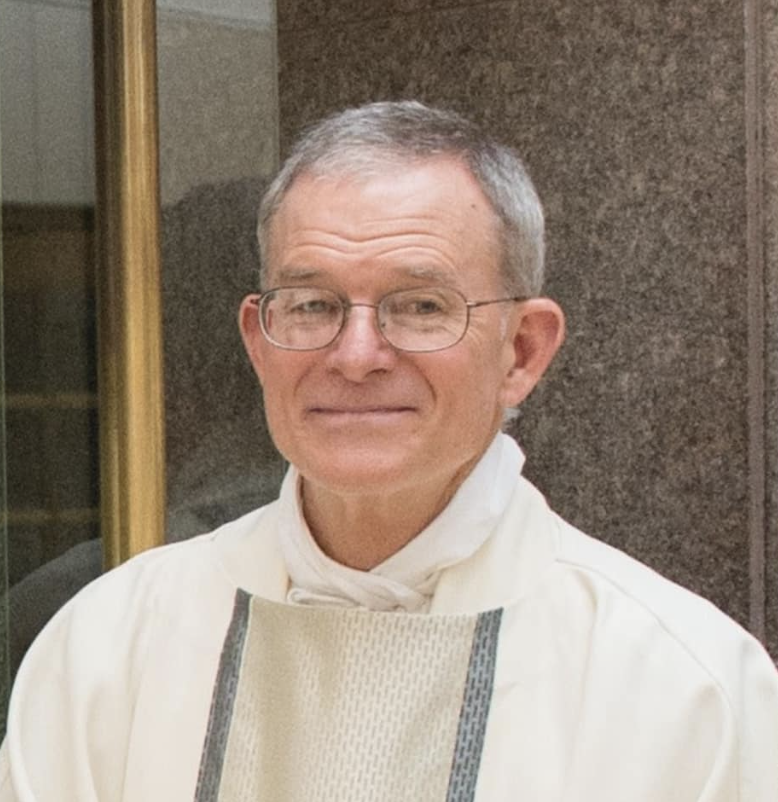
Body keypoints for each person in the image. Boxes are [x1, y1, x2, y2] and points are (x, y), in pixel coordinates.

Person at [1, 100, 777, 801]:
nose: (357, 353)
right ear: (257, 343)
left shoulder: (685, 686)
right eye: (311, 305)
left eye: (420, 305)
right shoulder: (109, 647)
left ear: (523, 351)